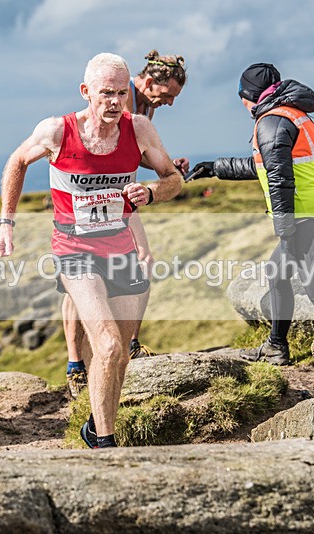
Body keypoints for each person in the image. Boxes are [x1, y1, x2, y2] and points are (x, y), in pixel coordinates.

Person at [0, 53, 182, 448]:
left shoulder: (140, 128)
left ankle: (96, 426)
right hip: (74, 249)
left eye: (120, 93)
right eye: (105, 93)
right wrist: (6, 222)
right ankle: (105, 445)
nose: (115, 102)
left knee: (121, 356)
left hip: (121, 249)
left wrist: (150, 192)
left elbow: (173, 179)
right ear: (86, 92)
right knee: (109, 344)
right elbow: (16, 161)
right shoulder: (57, 131)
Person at [188, 63, 314, 365]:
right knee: (277, 274)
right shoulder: (288, 114)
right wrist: (216, 167)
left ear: (248, 95)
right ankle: (276, 346)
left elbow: (278, 177)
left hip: (309, 217)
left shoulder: (271, 121)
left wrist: (285, 228)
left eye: (241, 96)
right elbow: (264, 165)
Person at [64, 50, 189, 399]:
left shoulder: (142, 107)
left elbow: (132, 152)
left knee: (132, 267)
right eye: (167, 96)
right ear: (149, 82)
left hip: (118, 200)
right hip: (85, 198)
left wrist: (164, 166)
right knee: (80, 280)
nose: (169, 103)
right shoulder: (123, 98)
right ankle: (75, 365)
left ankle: (128, 343)